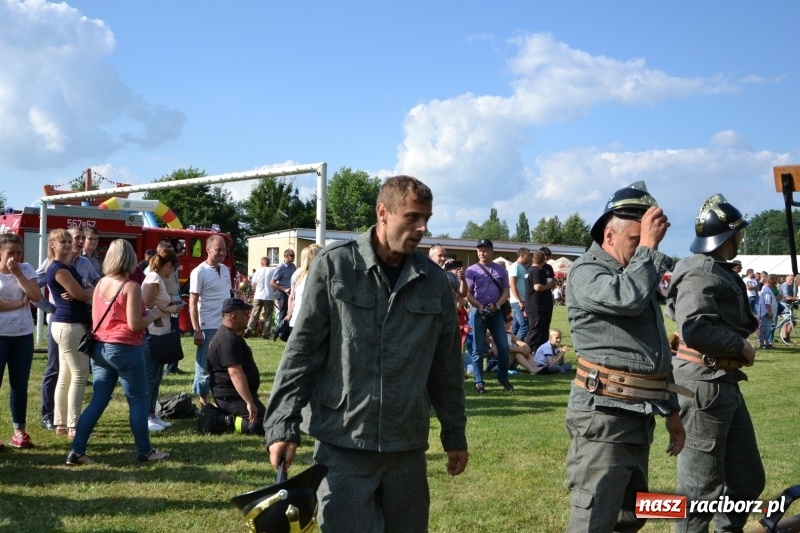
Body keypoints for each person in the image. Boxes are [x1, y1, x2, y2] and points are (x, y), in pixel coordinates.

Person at [264, 176, 468, 533]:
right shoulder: (335, 266)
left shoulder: (434, 282)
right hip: (343, 443)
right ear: (383, 213)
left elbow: (446, 367)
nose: (423, 228)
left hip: (406, 447)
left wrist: (454, 434)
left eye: (427, 218)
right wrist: (282, 425)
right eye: (413, 217)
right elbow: (303, 351)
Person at [564, 181, 685, 532]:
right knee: (593, 519)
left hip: (636, 417)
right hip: (603, 419)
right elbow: (626, 298)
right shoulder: (586, 271)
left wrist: (673, 410)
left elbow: (653, 351)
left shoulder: (633, 273)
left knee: (629, 517)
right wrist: (649, 249)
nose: (642, 250)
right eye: (635, 241)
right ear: (608, 235)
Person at [666, 193, 763, 532]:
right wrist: (740, 345)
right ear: (729, 236)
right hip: (703, 385)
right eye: (738, 233)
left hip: (723, 382)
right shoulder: (701, 271)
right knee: (699, 495)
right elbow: (693, 326)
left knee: (748, 481)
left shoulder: (712, 269)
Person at [67, 239, 169, 465]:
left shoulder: (101, 283)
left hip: (100, 348)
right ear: (130, 259)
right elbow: (134, 324)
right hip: (125, 348)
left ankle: (77, 450)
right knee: (137, 401)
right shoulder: (130, 286)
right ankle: (145, 451)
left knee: (98, 401)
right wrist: (152, 315)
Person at [38, 227, 100, 431]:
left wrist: (86, 291)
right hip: (70, 324)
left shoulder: (65, 266)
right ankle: (74, 425)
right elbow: (82, 294)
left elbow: (86, 289)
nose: (67, 244)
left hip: (67, 324)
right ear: (52, 245)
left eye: (68, 241)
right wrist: (88, 291)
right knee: (79, 374)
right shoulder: (59, 268)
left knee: (65, 376)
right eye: (62, 241)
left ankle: (61, 423)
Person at [199, 298, 265, 435]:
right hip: (230, 396)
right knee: (260, 425)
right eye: (245, 314)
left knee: (271, 420)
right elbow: (235, 373)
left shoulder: (229, 336)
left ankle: (224, 415)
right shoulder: (227, 341)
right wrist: (249, 402)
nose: (248, 317)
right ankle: (221, 418)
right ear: (234, 317)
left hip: (233, 395)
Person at [0, 233, 41, 449]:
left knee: (19, 386)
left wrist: (17, 274)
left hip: (22, 335)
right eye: (10, 253)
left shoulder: (25, 269)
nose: (14, 257)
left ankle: (19, 432)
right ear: (0, 252)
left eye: (18, 253)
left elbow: (35, 295)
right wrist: (19, 303)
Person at [141, 248, 183, 431]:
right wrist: (168, 309)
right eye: (174, 268)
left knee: (157, 376)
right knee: (150, 378)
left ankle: (152, 414)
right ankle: (145, 417)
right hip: (152, 333)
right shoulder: (153, 278)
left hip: (161, 332)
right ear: (168, 265)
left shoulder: (158, 279)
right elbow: (144, 303)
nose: (173, 272)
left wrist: (171, 306)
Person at [466, 238, 513, 394]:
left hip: (496, 311)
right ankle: (478, 382)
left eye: (485, 250)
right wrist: (479, 306)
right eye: (479, 250)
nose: (482, 253)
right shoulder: (471, 270)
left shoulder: (500, 270)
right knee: (477, 349)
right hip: (477, 312)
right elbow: (467, 294)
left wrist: (497, 305)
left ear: (492, 251)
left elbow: (506, 292)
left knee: (504, 347)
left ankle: (502, 377)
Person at [189, 235, 231, 407]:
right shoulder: (199, 271)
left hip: (225, 327)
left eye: (224, 250)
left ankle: (221, 401)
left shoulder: (226, 269)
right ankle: (203, 404)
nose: (222, 253)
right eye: (218, 249)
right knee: (204, 367)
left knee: (223, 367)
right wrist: (197, 329)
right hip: (207, 327)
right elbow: (192, 302)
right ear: (208, 250)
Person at [283, 244, 323, 338]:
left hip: (297, 321)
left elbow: (292, 297)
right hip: (308, 322)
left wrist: (289, 313)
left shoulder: (297, 273)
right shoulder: (317, 275)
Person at [524, 250, 557, 352]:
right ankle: (522, 352)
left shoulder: (529, 270)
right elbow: (537, 287)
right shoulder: (536, 271)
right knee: (535, 331)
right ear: (543, 259)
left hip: (534, 304)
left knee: (540, 330)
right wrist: (549, 285)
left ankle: (538, 354)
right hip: (536, 305)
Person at [243, 257, 276, 339]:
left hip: (258, 295)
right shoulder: (273, 271)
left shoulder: (258, 271)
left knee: (254, 314)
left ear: (262, 263)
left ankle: (248, 329)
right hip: (269, 296)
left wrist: (257, 289)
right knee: (268, 316)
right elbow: (275, 283)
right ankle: (265, 333)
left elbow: (253, 284)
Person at [270, 249, 296, 340]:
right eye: (292, 255)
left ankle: (278, 331)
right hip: (282, 293)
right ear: (287, 256)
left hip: (291, 293)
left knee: (291, 312)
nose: (294, 257)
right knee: (283, 313)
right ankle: (279, 332)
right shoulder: (280, 267)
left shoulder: (293, 267)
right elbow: (272, 283)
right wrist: (284, 289)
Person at [508, 247, 531, 341]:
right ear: (521, 255)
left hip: (521, 300)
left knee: (516, 326)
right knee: (524, 326)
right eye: (528, 255)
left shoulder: (522, 267)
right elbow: (512, 284)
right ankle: (518, 346)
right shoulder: (515, 266)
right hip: (518, 301)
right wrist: (519, 300)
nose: (529, 257)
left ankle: (510, 345)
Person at [758, 274, 777, 349]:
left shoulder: (766, 289)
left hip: (765, 312)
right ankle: (765, 344)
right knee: (765, 328)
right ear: (771, 280)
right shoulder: (767, 290)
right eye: (775, 280)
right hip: (766, 313)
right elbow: (767, 302)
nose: (776, 282)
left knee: (765, 328)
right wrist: (769, 312)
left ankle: (765, 343)